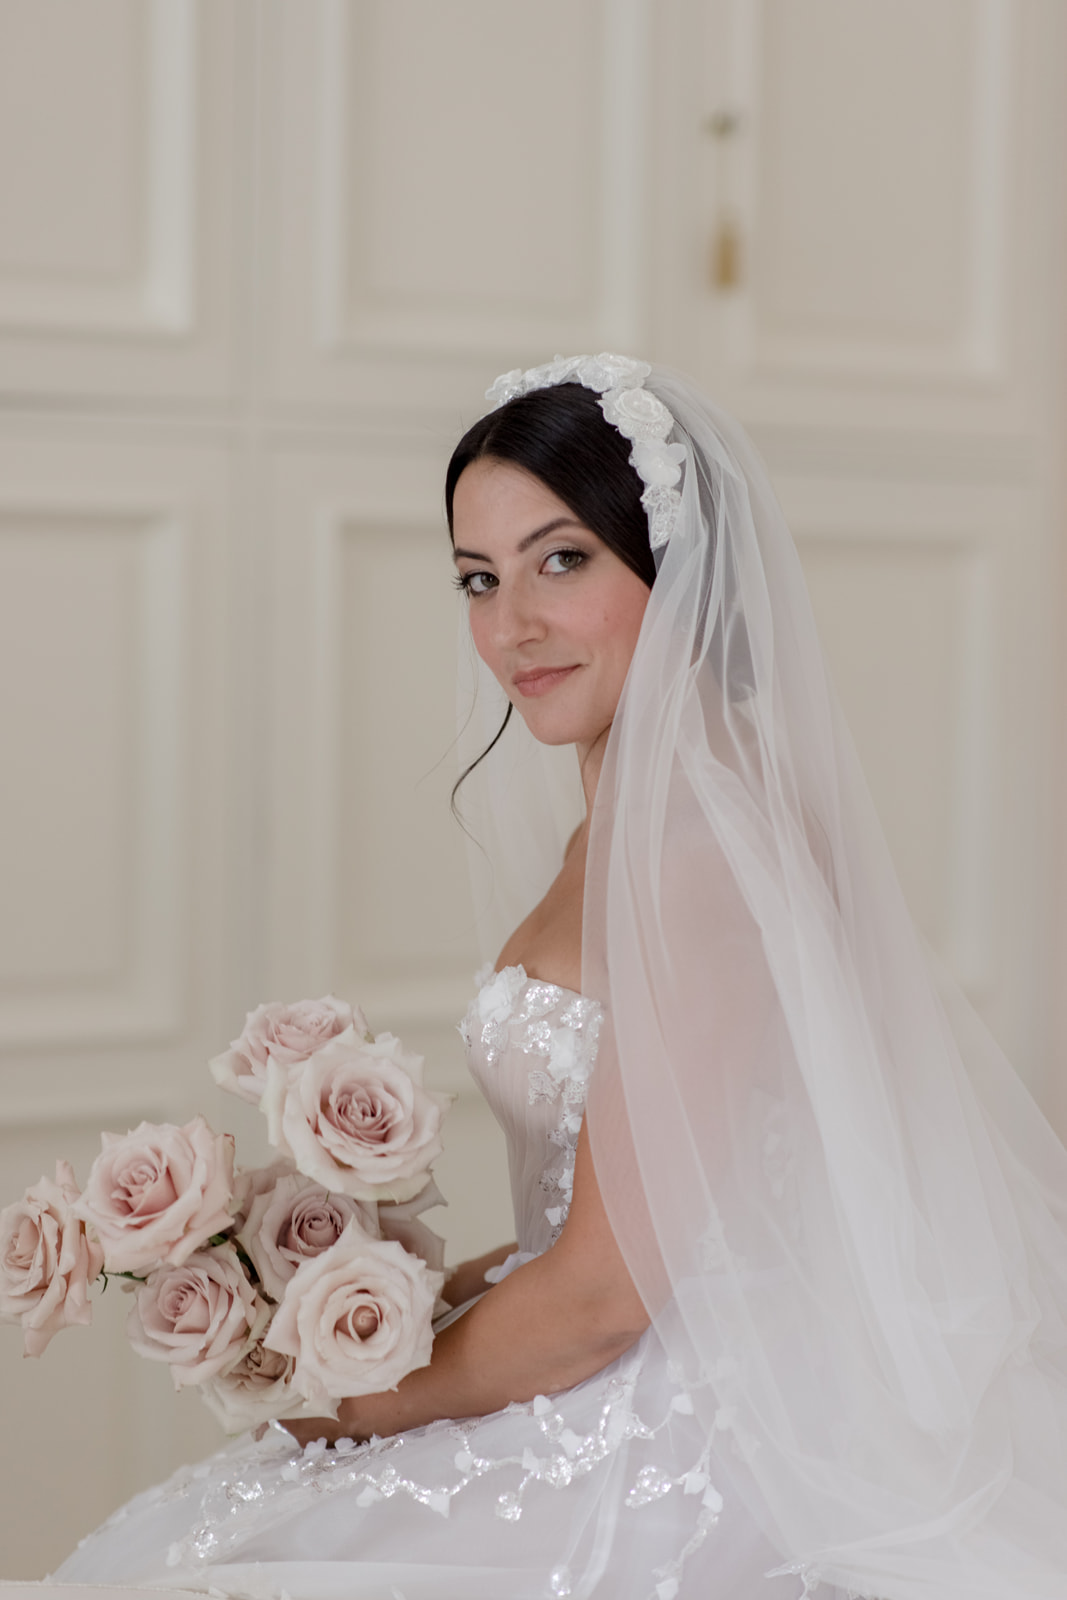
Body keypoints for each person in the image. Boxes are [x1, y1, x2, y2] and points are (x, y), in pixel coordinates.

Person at [51, 356, 1067, 1600]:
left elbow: (604, 1292)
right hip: (621, 1352)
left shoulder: (694, 846)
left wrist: (368, 1402)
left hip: (687, 1426)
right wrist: (378, 1297)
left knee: (216, 1563)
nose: (510, 624)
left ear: (676, 567)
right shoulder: (646, 817)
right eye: (480, 578)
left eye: (562, 559)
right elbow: (644, 1209)